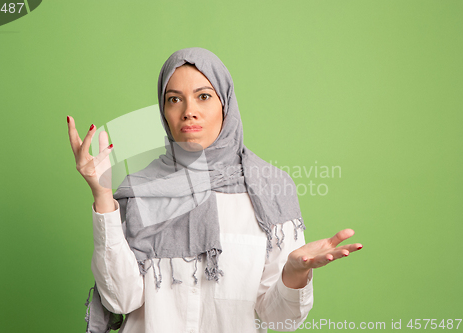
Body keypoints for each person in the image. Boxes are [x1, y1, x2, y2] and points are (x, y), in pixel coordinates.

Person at [67, 48, 362, 333]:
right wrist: (103, 195)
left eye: (204, 96)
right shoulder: (142, 190)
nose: (188, 112)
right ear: (163, 111)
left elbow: (280, 320)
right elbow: (121, 300)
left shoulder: (270, 190)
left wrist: (295, 273)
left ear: (226, 104)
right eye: (174, 99)